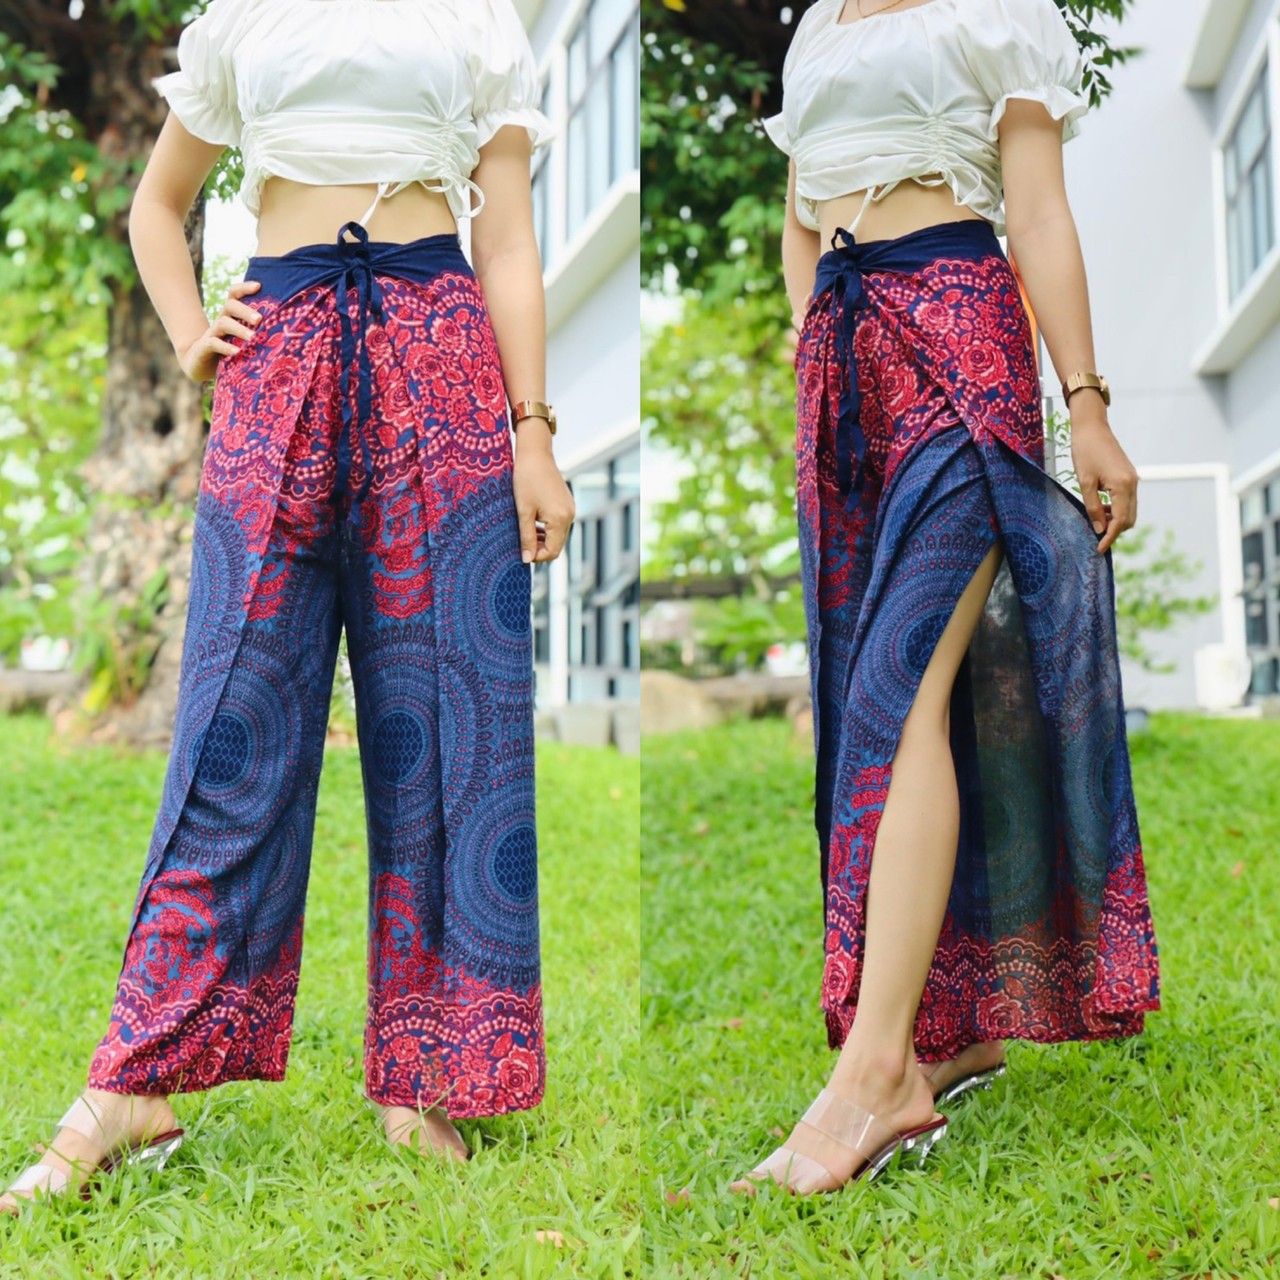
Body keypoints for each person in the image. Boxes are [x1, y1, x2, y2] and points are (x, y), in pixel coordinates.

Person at [2, 0, 575, 1214]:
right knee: (229, 723)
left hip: (442, 349)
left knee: (444, 725)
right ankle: (133, 1079)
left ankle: (424, 1072)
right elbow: (157, 204)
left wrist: (534, 433)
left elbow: (509, 238)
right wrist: (190, 333)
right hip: (280, 356)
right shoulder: (239, 21)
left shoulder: (476, 21)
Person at [730, 0, 1161, 1197]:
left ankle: (879, 1073)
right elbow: (801, 210)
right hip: (844, 360)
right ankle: (952, 1024)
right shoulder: (814, 24)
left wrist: (1084, 401)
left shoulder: (996, 9)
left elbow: (1033, 211)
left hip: (957, 337)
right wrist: (811, 327)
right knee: (921, 701)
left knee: (890, 699)